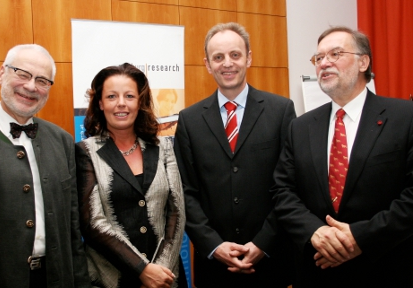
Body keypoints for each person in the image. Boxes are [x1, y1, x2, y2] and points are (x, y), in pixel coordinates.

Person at [270, 26, 413, 287]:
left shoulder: (405, 117)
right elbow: (283, 191)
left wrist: (361, 237)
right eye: (318, 58)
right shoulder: (300, 127)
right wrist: (315, 232)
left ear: (363, 62)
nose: (324, 63)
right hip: (317, 269)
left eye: (335, 54)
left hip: (386, 267)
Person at [174, 22, 296, 287]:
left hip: (271, 261)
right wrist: (214, 245)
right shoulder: (189, 120)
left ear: (249, 58)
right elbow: (185, 192)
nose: (227, 63)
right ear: (207, 64)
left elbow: (290, 185)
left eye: (235, 55)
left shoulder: (281, 111)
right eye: (218, 57)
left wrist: (263, 242)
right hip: (214, 268)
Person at [0, 44, 90, 287]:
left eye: (42, 80)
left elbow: (73, 230)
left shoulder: (63, 141)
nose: (31, 86)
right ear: (2, 73)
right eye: (22, 74)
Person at [75, 63, 186, 288]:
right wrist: (142, 270)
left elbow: (176, 212)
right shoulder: (86, 152)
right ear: (100, 103)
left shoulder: (163, 147)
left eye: (129, 96)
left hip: (166, 279)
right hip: (112, 278)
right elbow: (93, 223)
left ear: (139, 102)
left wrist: (159, 273)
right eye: (112, 96)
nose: (121, 103)